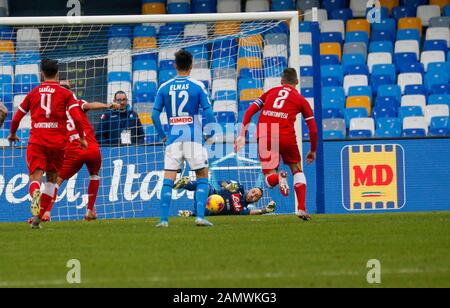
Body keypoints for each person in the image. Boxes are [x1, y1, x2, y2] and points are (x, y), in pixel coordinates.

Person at [8, 59, 87, 229]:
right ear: (57, 73)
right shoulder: (66, 94)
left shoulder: (33, 92)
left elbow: (16, 117)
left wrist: (13, 133)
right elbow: (77, 117)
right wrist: (81, 137)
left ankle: (35, 197)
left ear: (42, 73)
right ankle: (39, 217)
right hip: (57, 143)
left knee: (35, 178)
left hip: (37, 141)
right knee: (51, 180)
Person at [235, 68, 318, 221]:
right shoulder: (301, 100)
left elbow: (249, 111)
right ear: (297, 83)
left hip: (266, 133)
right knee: (297, 170)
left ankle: (278, 177)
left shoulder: (271, 92)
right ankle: (301, 208)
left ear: (281, 82)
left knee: (269, 179)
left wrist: (242, 135)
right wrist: (312, 150)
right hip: (286, 136)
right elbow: (313, 129)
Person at [38, 81, 121, 223]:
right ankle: (89, 210)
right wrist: (107, 105)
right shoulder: (76, 102)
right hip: (91, 147)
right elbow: (90, 106)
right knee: (94, 175)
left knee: (57, 181)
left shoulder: (54, 111)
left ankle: (47, 212)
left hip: (73, 151)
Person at [152, 49, 215, 228]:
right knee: (202, 176)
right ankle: (200, 217)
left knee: (168, 179)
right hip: (194, 137)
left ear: (175, 65)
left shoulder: (164, 86)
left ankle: (164, 220)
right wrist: (207, 134)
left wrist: (163, 136)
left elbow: (154, 116)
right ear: (191, 65)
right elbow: (209, 113)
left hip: (173, 139)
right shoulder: (197, 86)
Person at [175, 177, 276, 217]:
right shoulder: (239, 188)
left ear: (256, 201)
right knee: (205, 185)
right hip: (210, 195)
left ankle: (190, 213)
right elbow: (221, 182)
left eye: (256, 197)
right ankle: (182, 185)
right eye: (253, 192)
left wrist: (265, 211)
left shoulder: (243, 209)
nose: (252, 195)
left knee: (210, 211)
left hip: (211, 209)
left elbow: (251, 213)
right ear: (250, 189)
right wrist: (228, 186)